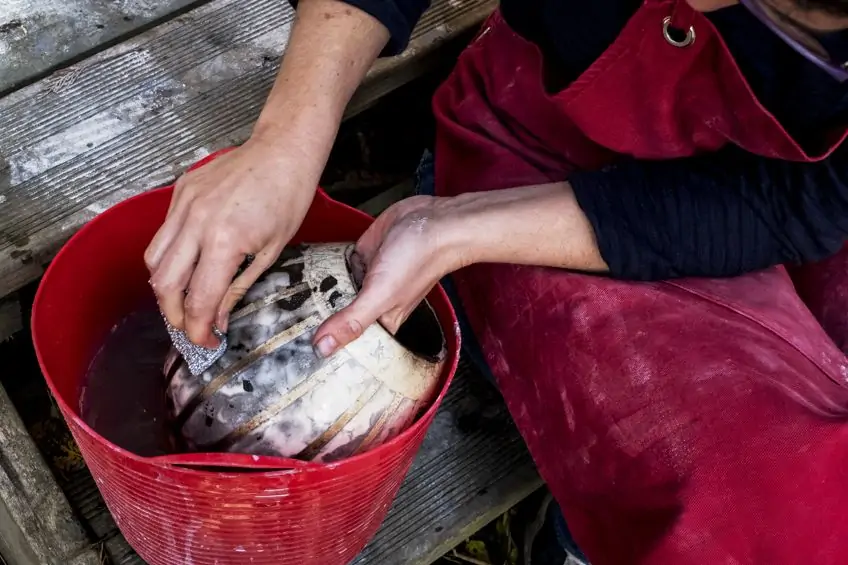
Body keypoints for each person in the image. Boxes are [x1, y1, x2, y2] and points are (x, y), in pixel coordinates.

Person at [145, 0, 848, 563]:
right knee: (765, 502)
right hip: (541, 144)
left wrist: (459, 230)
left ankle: (581, 540)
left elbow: (802, 203)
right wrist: (288, 138)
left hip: (764, 195)